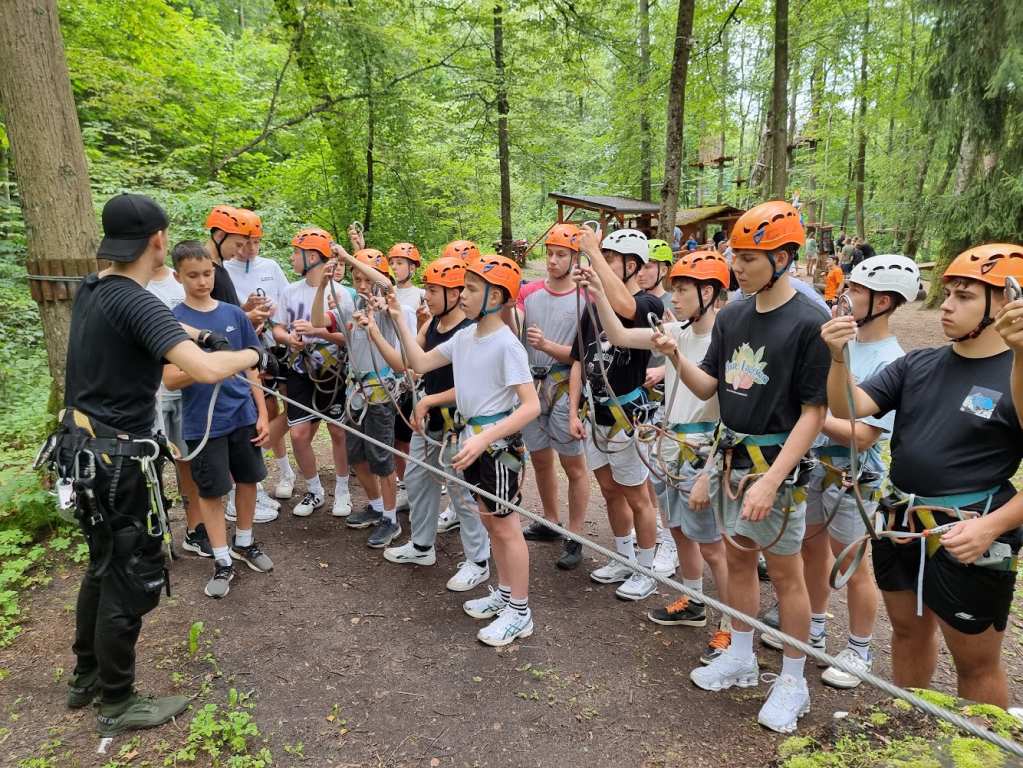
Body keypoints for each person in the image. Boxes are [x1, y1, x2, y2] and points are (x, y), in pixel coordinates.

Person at [56, 193, 269, 735]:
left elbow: (165, 336)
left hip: (85, 451)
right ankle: (117, 700)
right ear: (157, 240)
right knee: (129, 575)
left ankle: (86, 676)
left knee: (103, 564)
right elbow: (204, 370)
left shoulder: (94, 288)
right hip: (117, 460)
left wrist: (201, 333)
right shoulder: (139, 300)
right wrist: (250, 353)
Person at [822, 243, 1023, 707]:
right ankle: (911, 727)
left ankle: (980, 743)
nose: (946, 305)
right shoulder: (919, 364)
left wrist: (990, 527)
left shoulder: (1015, 375)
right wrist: (838, 356)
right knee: (907, 633)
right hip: (901, 523)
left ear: (1007, 302)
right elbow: (847, 406)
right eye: (948, 293)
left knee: (975, 661)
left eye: (964, 296)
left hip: (969, 532)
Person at [657, 200, 829, 733]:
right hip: (731, 460)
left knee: (787, 574)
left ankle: (794, 680)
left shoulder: (810, 323)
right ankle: (741, 654)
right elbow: (710, 389)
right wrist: (675, 355)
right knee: (736, 561)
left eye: (749, 258)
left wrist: (772, 480)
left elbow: (814, 412)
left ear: (782, 258)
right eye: (736, 256)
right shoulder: (732, 316)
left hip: (775, 467)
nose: (738, 266)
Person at [773, 254, 917, 690]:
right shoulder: (839, 342)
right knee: (811, 551)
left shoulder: (891, 360)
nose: (845, 295)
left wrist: (810, 416)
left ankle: (859, 647)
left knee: (852, 564)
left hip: (854, 477)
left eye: (855, 290)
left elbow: (864, 435)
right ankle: (815, 626)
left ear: (883, 301)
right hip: (818, 465)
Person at [580, 251, 734, 661]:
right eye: (674, 289)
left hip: (702, 449)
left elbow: (724, 406)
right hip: (670, 444)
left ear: (708, 293)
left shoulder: (725, 340)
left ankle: (731, 625)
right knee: (680, 530)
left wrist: (712, 469)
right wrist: (599, 293)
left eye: (682, 290)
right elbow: (620, 335)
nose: (673, 297)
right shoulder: (675, 331)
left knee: (713, 545)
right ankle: (694, 600)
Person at [388, 253, 541, 646]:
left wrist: (484, 439)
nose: (464, 295)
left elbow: (531, 406)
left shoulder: (506, 345)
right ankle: (505, 595)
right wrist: (398, 319)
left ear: (496, 297)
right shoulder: (465, 337)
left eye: (472, 289)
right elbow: (419, 362)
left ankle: (520, 612)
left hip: (495, 445)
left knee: (506, 527)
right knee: (490, 521)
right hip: (473, 440)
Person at [364, 256, 492, 590]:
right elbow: (404, 363)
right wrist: (378, 330)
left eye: (434, 290)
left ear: (454, 293)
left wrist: (428, 400)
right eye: (428, 290)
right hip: (430, 419)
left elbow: (471, 385)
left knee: (462, 492)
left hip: (458, 424)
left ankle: (478, 561)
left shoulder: (469, 331)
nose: (427, 296)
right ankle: (422, 546)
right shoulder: (432, 324)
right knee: (418, 480)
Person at [164, 242, 274, 599]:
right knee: (212, 491)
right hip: (203, 422)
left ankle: (244, 541)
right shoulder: (173, 322)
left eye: (207, 274)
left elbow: (252, 365)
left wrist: (261, 414)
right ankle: (222, 559)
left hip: (242, 414)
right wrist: (208, 367)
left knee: (248, 479)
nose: (202, 281)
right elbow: (170, 378)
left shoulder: (234, 314)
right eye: (193, 275)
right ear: (178, 276)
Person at [567, 228, 663, 601]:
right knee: (609, 490)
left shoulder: (648, 304)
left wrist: (592, 251)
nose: (603, 264)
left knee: (637, 496)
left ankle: (646, 568)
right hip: (596, 412)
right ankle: (623, 556)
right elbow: (579, 359)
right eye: (603, 258)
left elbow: (627, 309)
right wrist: (573, 411)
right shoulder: (593, 306)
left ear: (632, 265)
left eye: (611, 259)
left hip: (627, 415)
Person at [312, 248, 416, 547]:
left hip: (380, 393)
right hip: (355, 392)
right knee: (356, 454)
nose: (361, 285)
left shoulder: (388, 308)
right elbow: (318, 321)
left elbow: (386, 284)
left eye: (366, 279)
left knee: (382, 458)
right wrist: (322, 285)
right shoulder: (351, 305)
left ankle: (391, 520)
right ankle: (377, 506)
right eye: (356, 279)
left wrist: (347, 257)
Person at [515, 224, 591, 569]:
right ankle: (550, 520)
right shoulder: (528, 292)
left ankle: (575, 534)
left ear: (575, 258)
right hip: (531, 385)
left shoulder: (585, 298)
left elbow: (582, 355)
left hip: (563, 385)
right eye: (550, 254)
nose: (552, 261)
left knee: (572, 463)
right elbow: (512, 323)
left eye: (561, 255)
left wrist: (546, 345)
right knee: (540, 459)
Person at [271, 227, 353, 518]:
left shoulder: (340, 293)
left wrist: (318, 333)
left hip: (332, 372)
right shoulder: (290, 291)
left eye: (297, 252)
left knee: (337, 431)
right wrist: (288, 339)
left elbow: (349, 338)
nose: (292, 257)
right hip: (299, 369)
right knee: (298, 434)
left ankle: (342, 489)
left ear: (314, 257)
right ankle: (315, 490)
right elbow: (278, 328)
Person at [222, 208, 293, 515]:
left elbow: (287, 299)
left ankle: (284, 470)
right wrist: (246, 311)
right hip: (244, 347)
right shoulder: (223, 269)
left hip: (273, 346)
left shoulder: (270, 266)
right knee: (254, 411)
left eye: (256, 242)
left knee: (276, 409)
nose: (250, 249)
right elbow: (224, 312)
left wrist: (274, 317)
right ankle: (254, 482)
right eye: (246, 242)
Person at [146, 256, 207, 557]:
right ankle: (155, 530)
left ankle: (195, 529)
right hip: (147, 391)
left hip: (184, 386)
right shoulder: (131, 285)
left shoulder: (180, 280)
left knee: (188, 460)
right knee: (149, 465)